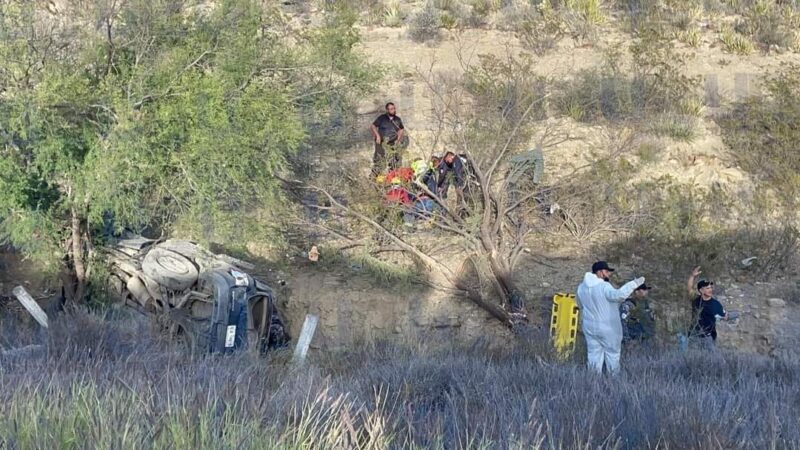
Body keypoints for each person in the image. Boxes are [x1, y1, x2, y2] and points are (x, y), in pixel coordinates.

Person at [576, 261, 645, 375]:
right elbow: (619, 295)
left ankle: (592, 386)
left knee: (593, 357)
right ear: (600, 272)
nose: (609, 274)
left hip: (590, 328)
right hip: (608, 328)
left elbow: (579, 305)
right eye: (607, 271)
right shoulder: (604, 286)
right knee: (613, 357)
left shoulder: (581, 288)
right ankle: (614, 386)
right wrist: (634, 283)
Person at [687, 266, 729, 349]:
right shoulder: (695, 299)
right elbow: (689, 288)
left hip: (708, 338)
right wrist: (692, 276)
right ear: (701, 290)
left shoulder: (715, 304)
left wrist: (725, 317)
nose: (710, 290)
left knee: (710, 360)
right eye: (707, 288)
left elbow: (724, 316)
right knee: (693, 358)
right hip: (694, 336)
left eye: (710, 288)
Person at [370, 102, 405, 176]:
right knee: (379, 159)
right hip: (381, 142)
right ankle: (374, 177)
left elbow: (401, 129)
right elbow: (373, 126)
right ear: (387, 110)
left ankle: (392, 177)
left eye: (394, 108)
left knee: (394, 160)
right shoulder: (382, 118)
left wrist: (398, 140)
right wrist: (377, 136)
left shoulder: (397, 119)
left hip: (392, 143)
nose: (393, 110)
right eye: (391, 109)